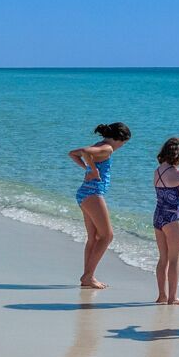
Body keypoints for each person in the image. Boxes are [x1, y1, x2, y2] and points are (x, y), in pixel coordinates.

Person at [67, 122, 132, 289]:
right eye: (123, 143)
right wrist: (93, 170)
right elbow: (85, 153)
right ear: (118, 139)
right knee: (107, 236)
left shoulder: (99, 145)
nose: (122, 147)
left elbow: (73, 154)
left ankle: (87, 277)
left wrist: (88, 167)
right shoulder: (107, 148)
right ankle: (88, 276)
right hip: (92, 193)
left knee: (94, 237)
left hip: (84, 193)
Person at [150, 137, 179, 306]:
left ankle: (162, 295)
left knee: (163, 258)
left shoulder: (157, 171)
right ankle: (173, 297)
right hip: (173, 217)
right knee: (174, 259)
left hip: (158, 215)